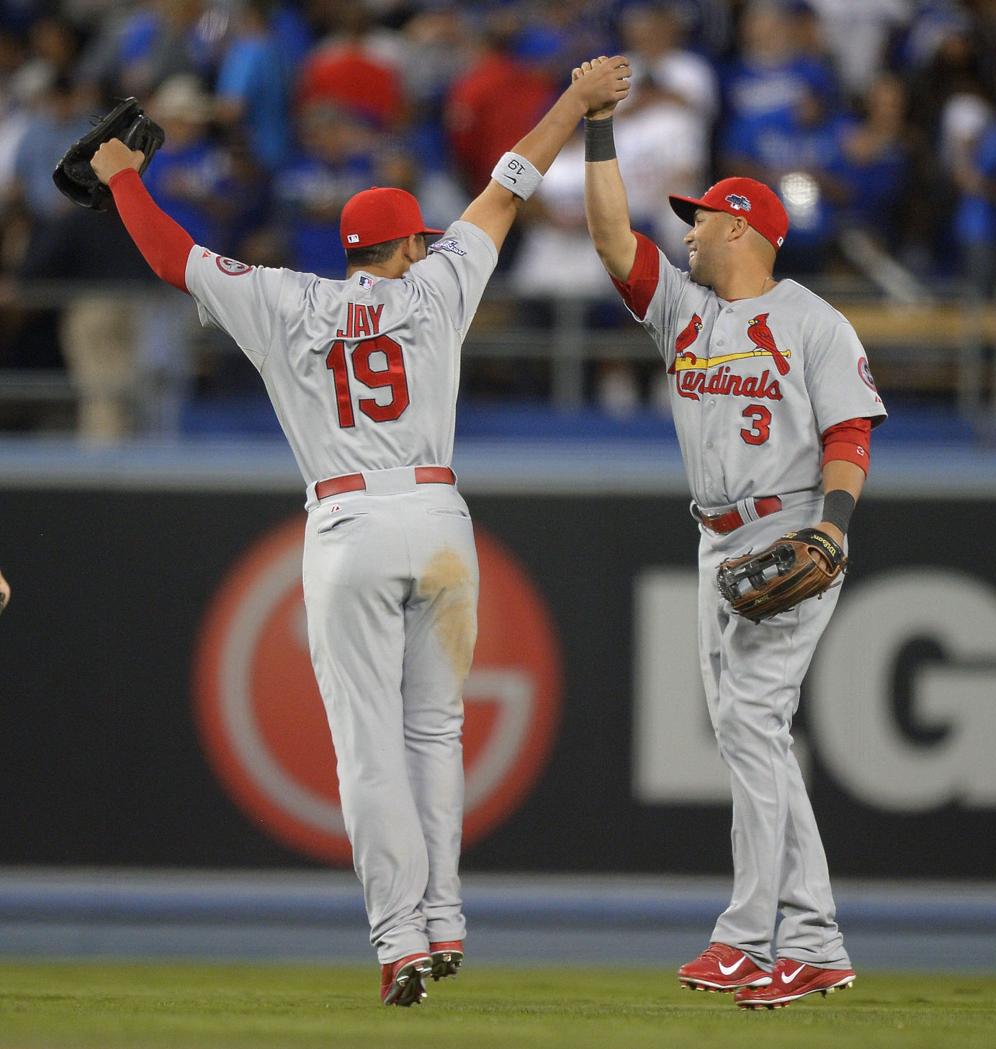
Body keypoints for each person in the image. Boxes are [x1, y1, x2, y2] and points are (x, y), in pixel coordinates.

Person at [88, 54, 631, 1008]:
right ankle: (448, 914)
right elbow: (510, 181)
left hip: (346, 517)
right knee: (435, 730)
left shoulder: (288, 299)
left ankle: (399, 937)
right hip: (437, 519)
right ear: (409, 247)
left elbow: (173, 255)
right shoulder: (438, 289)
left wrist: (124, 178)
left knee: (368, 746)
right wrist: (576, 102)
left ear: (350, 250)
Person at [576, 59, 886, 1009]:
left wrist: (831, 530)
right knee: (752, 733)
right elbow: (608, 233)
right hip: (718, 536)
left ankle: (750, 935)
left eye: (702, 215)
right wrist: (595, 126)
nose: (690, 227)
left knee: (751, 724)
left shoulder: (812, 323)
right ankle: (818, 939)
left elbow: (850, 434)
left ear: (742, 225)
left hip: (794, 524)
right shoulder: (686, 310)